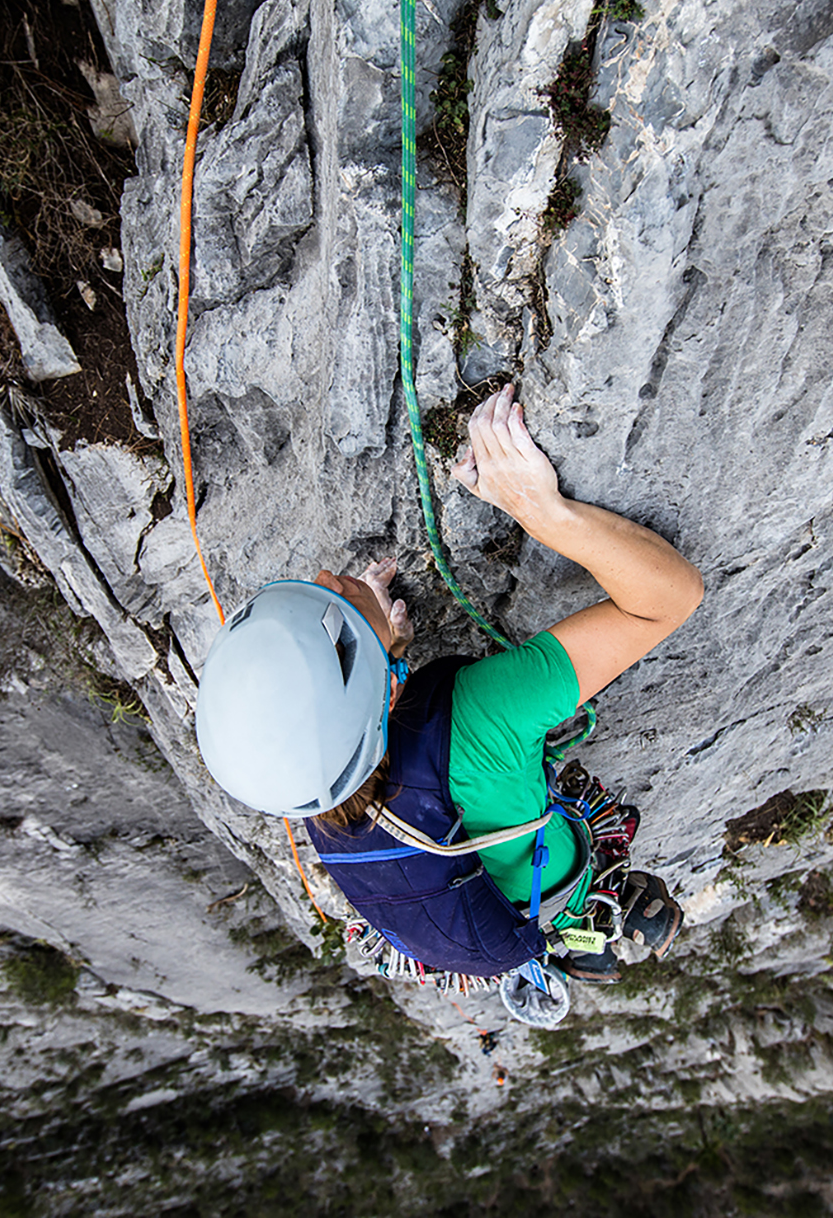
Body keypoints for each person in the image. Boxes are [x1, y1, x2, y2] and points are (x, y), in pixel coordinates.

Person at [194, 385, 704, 1013]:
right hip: (535, 867)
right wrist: (544, 513)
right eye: (333, 604)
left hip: (460, 888)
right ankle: (587, 908)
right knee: (564, 864)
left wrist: (377, 639)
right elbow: (670, 598)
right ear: (383, 689)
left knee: (525, 875)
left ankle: (568, 929)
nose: (326, 578)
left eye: (315, 592)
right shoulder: (482, 713)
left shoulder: (302, 775)